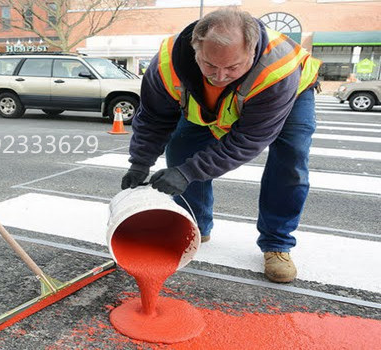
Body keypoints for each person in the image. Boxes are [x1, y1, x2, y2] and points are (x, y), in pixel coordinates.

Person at [121, 8, 321, 283]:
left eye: (232, 67)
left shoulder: (276, 71)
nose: (219, 76)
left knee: (290, 162)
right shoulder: (167, 65)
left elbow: (248, 139)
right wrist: (140, 162)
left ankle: (277, 243)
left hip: (289, 96)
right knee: (182, 149)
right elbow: (155, 117)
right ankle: (195, 224)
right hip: (207, 102)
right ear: (195, 48)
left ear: (252, 53)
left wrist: (188, 173)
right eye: (210, 65)